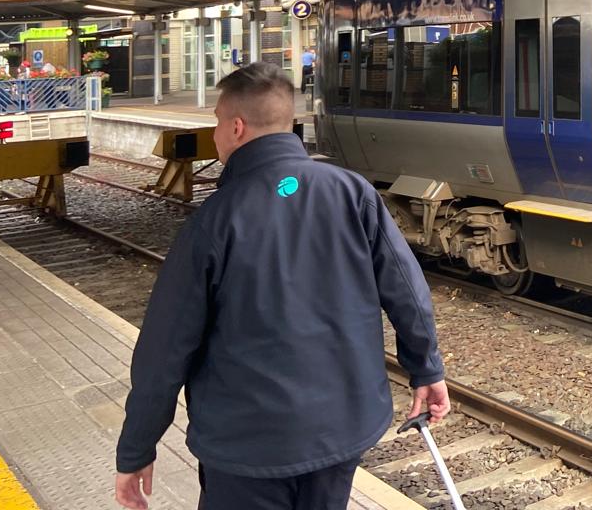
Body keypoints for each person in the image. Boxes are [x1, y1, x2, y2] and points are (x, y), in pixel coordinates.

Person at [113, 62, 448, 510]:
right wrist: (426, 369)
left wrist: (137, 447)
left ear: (236, 127)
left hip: (246, 446)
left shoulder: (215, 220)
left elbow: (166, 348)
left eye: (215, 122)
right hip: (341, 430)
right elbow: (406, 290)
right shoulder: (353, 192)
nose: (215, 134)